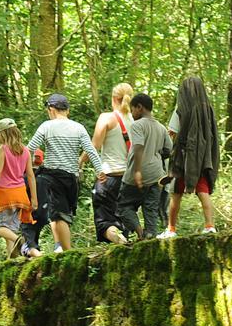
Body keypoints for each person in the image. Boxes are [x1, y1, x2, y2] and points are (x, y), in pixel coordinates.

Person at [24, 93, 105, 253]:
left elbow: (29, 149)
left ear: (51, 109)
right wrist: (100, 170)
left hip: (52, 177)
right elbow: (91, 151)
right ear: (67, 110)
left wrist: (26, 165)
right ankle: (59, 247)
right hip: (71, 179)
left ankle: (69, 253)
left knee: (59, 215)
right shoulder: (78, 128)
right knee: (59, 213)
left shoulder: (47, 126)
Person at [160, 76, 219, 237]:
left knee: (176, 194)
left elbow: (172, 132)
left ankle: (171, 229)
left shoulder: (181, 108)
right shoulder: (208, 109)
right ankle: (210, 226)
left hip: (184, 159)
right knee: (203, 191)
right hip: (202, 158)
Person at [0, 118, 40, 258]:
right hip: (20, 194)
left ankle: (18, 240)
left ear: (2, 134)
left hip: (4, 194)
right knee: (9, 229)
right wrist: (34, 198)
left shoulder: (4, 149)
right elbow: (31, 176)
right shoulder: (26, 150)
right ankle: (11, 260)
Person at [117, 93, 170, 238]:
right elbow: (168, 150)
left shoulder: (137, 125)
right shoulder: (161, 127)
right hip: (157, 175)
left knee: (123, 206)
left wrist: (138, 170)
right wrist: (155, 155)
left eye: (132, 110)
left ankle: (140, 233)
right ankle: (150, 237)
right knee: (150, 209)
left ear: (139, 107)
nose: (132, 114)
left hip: (137, 174)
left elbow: (138, 146)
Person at [87, 82, 135, 244]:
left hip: (108, 178)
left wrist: (79, 162)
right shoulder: (135, 120)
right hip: (129, 180)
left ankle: (120, 240)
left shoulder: (107, 118)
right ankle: (125, 243)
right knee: (124, 219)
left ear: (114, 99)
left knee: (104, 222)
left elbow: (94, 146)